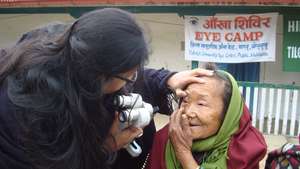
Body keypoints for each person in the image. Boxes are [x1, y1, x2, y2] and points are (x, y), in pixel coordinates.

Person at [0, 8, 213, 169]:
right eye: (129, 76)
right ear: (99, 77)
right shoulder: (31, 115)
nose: (134, 80)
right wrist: (105, 148)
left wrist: (168, 78)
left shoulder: (75, 48)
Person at [146, 65, 267, 169]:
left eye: (201, 104)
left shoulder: (244, 150)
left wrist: (183, 154)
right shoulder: (165, 138)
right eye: (186, 101)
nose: (189, 112)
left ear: (228, 112)